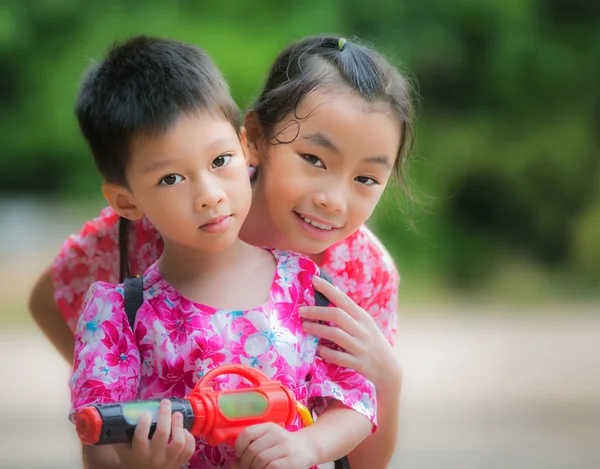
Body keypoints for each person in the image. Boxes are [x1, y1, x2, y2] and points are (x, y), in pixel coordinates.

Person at [30, 34, 415, 469]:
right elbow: (50, 299)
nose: (333, 199)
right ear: (254, 139)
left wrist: (389, 380)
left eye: (366, 179)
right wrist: (119, 386)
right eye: (314, 158)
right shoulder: (151, 219)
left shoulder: (359, 273)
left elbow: (364, 461)